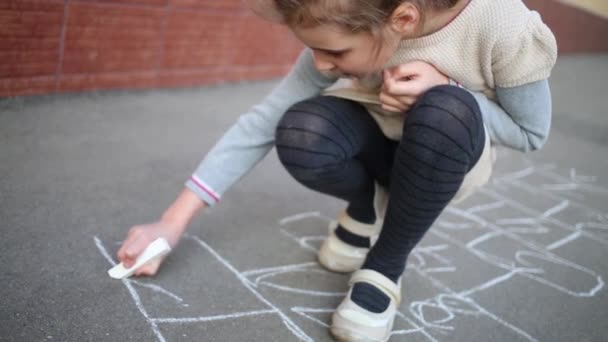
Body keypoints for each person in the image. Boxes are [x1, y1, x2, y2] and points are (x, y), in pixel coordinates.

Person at [117, 0, 557, 340]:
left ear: (402, 20)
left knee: (446, 109)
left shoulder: (503, 26)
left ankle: (385, 266)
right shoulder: (346, 12)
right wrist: (171, 222)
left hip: (444, 154)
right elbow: (264, 120)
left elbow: (529, 134)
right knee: (301, 128)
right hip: (373, 135)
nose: (322, 64)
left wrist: (448, 87)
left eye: (333, 51)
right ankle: (364, 207)